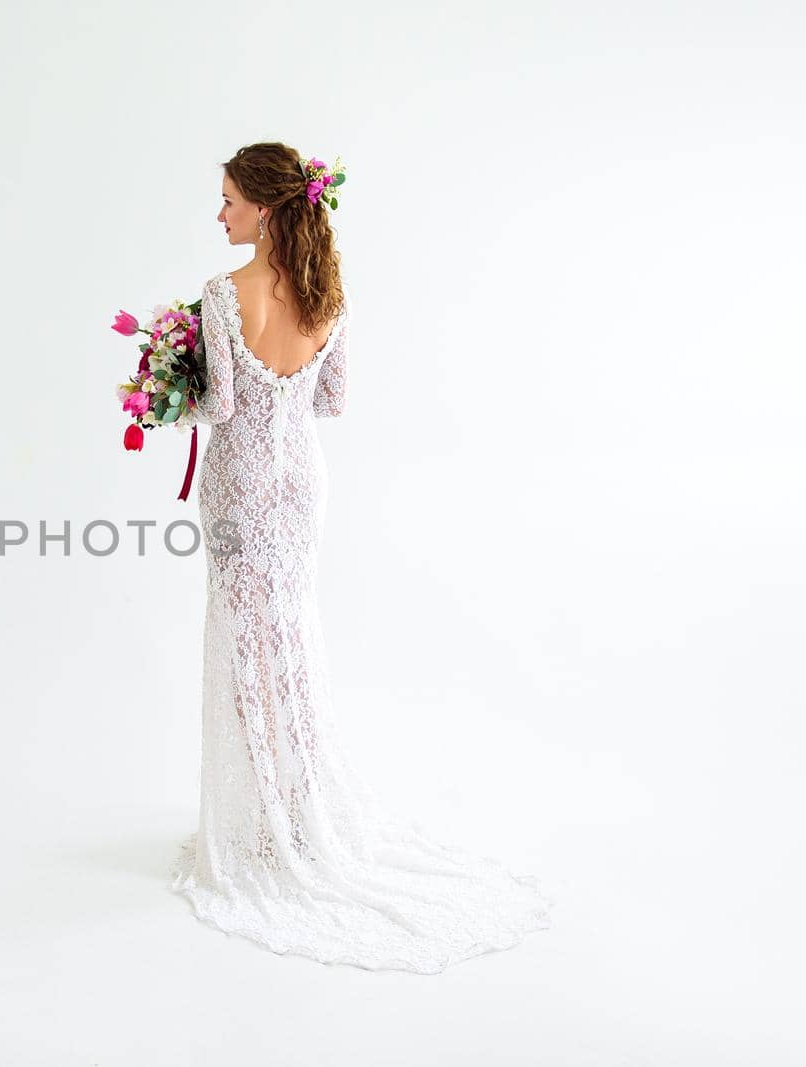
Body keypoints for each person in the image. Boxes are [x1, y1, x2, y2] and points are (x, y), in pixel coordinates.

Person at [171, 142, 552, 973]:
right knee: (291, 642)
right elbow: (333, 399)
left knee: (245, 646)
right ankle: (299, 813)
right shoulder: (329, 293)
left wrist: (169, 377)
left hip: (241, 491)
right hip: (301, 486)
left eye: (230, 200)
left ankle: (259, 825)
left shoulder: (218, 293)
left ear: (266, 209)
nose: (221, 215)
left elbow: (222, 406)